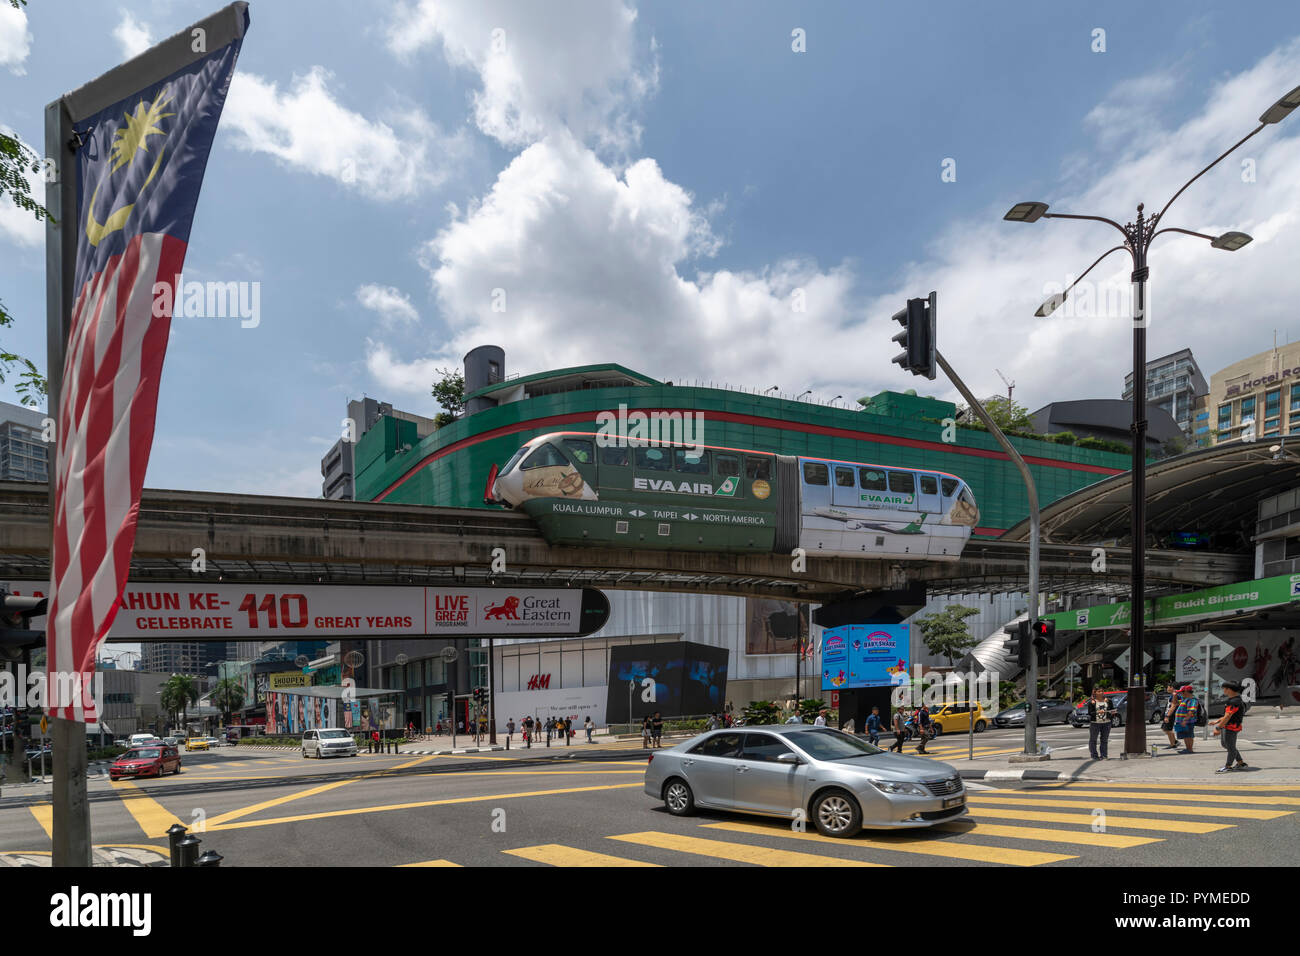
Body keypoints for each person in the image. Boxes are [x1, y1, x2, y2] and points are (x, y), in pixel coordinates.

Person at [1212, 681, 1248, 773]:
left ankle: (1228, 766)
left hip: (1231, 727)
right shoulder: (1235, 699)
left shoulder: (1233, 701)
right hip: (1230, 726)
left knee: (1230, 747)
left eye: (1224, 688)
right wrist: (1218, 720)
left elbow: (1228, 716)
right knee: (1227, 745)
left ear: (1229, 689)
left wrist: (1218, 728)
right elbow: (1228, 715)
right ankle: (1240, 763)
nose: (1223, 690)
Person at [1086, 685, 1113, 759]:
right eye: (1099, 691)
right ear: (1095, 692)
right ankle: (1094, 755)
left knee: (1104, 740)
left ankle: (1104, 755)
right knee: (1093, 739)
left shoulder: (1108, 701)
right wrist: (1098, 712)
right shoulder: (1092, 702)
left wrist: (1112, 713)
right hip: (1095, 723)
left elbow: (1111, 709)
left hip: (1106, 722)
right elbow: (1090, 713)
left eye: (1102, 691)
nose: (1101, 693)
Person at [1173, 685, 1199, 753]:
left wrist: (1185, 720)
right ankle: (1188, 748)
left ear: (1187, 692)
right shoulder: (1184, 699)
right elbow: (1175, 703)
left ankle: (1189, 749)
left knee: (1188, 735)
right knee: (1185, 735)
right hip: (1184, 721)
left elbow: (1191, 711)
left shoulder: (1192, 700)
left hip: (1188, 721)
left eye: (1182, 692)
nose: (1181, 693)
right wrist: (1175, 696)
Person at [1160, 684, 1180, 749]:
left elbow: (1173, 706)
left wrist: (1168, 716)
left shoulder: (1175, 695)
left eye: (1168, 687)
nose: (1167, 688)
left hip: (1170, 715)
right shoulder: (1174, 694)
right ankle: (1174, 742)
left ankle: (1173, 744)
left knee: (1167, 729)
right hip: (1169, 714)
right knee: (1165, 728)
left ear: (1172, 687)